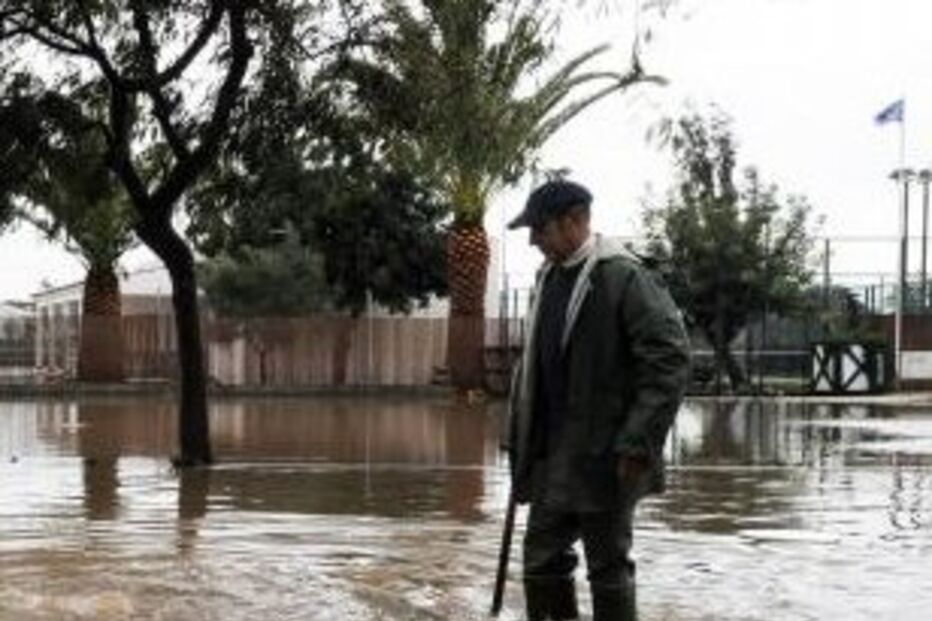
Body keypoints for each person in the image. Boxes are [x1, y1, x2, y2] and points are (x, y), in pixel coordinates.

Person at [503, 179, 690, 621]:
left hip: (608, 451)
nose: (532, 241)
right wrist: (518, 436)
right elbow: (532, 368)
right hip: (553, 452)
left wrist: (638, 441)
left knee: (607, 565)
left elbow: (669, 362)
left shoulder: (625, 276)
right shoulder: (548, 277)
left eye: (539, 229)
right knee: (541, 559)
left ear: (575, 222)